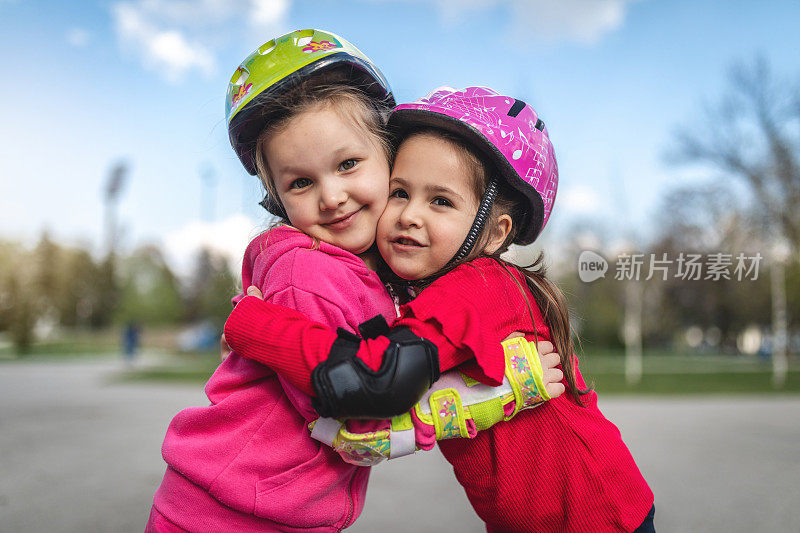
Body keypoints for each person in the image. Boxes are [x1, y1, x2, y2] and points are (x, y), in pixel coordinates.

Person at [146, 32, 562, 533]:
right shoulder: (309, 274)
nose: (332, 196)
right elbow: (355, 425)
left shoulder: (362, 272)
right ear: (277, 199)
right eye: (300, 182)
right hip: (224, 515)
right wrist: (504, 392)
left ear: (388, 157)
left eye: (348, 165)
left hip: (260, 507)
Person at [224, 86, 656, 532]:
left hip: (598, 520)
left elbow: (375, 383)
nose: (410, 215)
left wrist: (254, 325)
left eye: (441, 201)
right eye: (399, 192)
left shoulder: (478, 288)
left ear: (493, 234)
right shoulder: (434, 294)